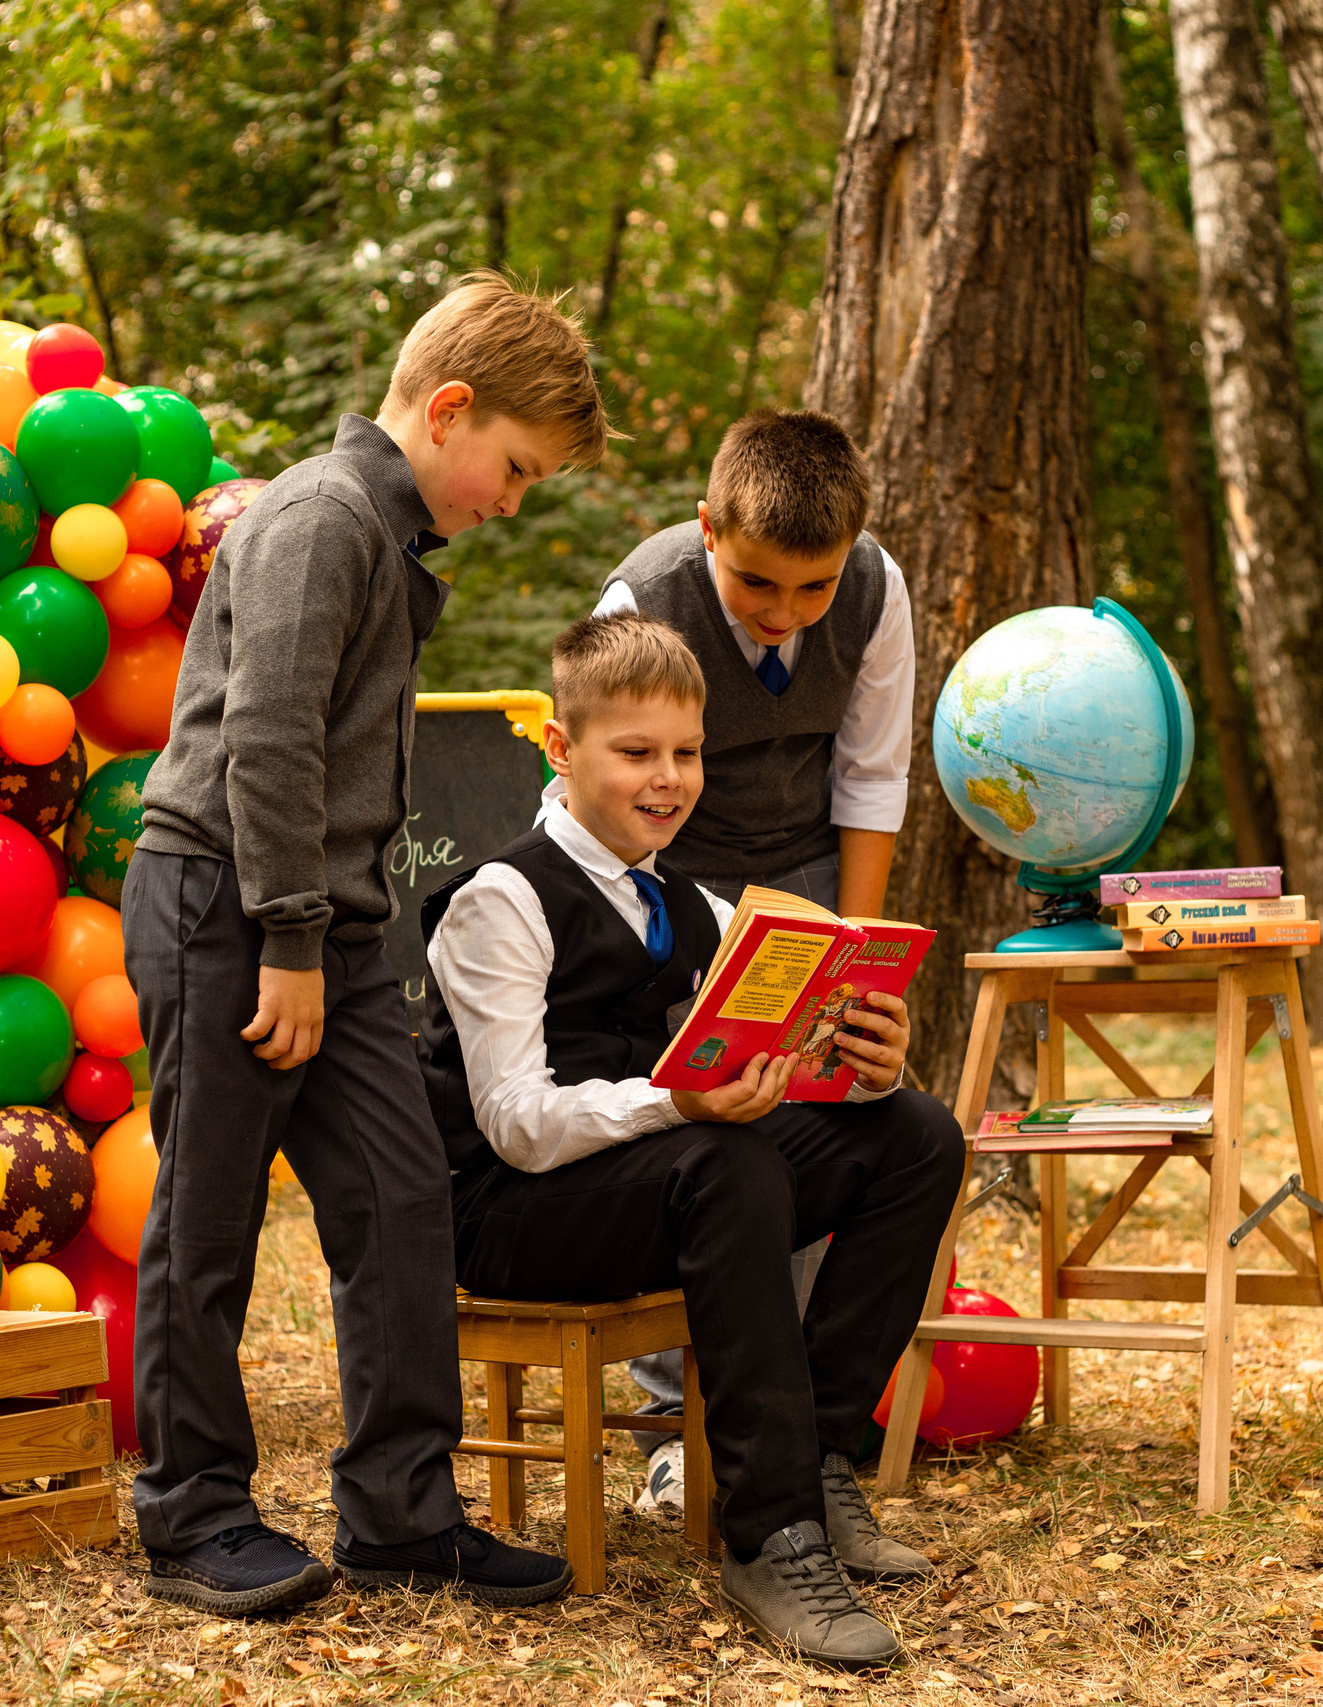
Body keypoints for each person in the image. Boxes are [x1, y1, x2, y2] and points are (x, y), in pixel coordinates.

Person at [124, 272, 617, 1617]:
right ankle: (191, 1512)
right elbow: (270, 739)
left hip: (320, 926)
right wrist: (287, 934)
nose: (513, 499)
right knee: (209, 1215)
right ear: (448, 410)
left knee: (403, 1203)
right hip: (226, 904)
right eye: (513, 467)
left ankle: (401, 1512)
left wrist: (335, 930)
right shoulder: (321, 518)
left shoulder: (388, 541)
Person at [421, 614, 963, 1667]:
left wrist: (868, 1058)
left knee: (913, 1136)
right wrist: (684, 1105)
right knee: (726, 1160)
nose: (667, 780)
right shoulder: (500, 900)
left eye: (686, 753)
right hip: (507, 1213)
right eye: (636, 754)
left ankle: (815, 1461)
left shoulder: (694, 902)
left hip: (651, 1177)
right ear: (562, 750)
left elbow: (771, 1070)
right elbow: (517, 1125)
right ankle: (770, 1535)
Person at [560, 408, 914, 1515]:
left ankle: (796, 1428)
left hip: (805, 868)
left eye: (814, 590)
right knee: (707, 1126)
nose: (786, 615)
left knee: (828, 1114)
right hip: (673, 866)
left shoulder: (876, 590)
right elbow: (590, 792)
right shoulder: (640, 597)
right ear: (709, 529)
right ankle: (675, 1424)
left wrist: (850, 959)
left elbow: (870, 775)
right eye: (759, 585)